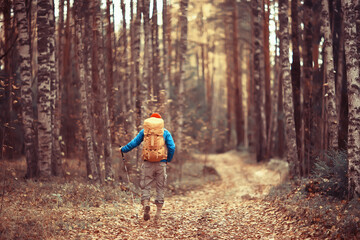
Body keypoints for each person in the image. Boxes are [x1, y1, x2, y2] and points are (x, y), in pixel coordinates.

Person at [120, 113, 175, 221]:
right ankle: (158, 213)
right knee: (160, 187)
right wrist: (167, 159)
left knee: (146, 186)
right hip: (161, 163)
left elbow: (134, 143)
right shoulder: (164, 132)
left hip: (147, 163)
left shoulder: (145, 132)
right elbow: (172, 147)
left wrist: (123, 149)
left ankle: (146, 205)